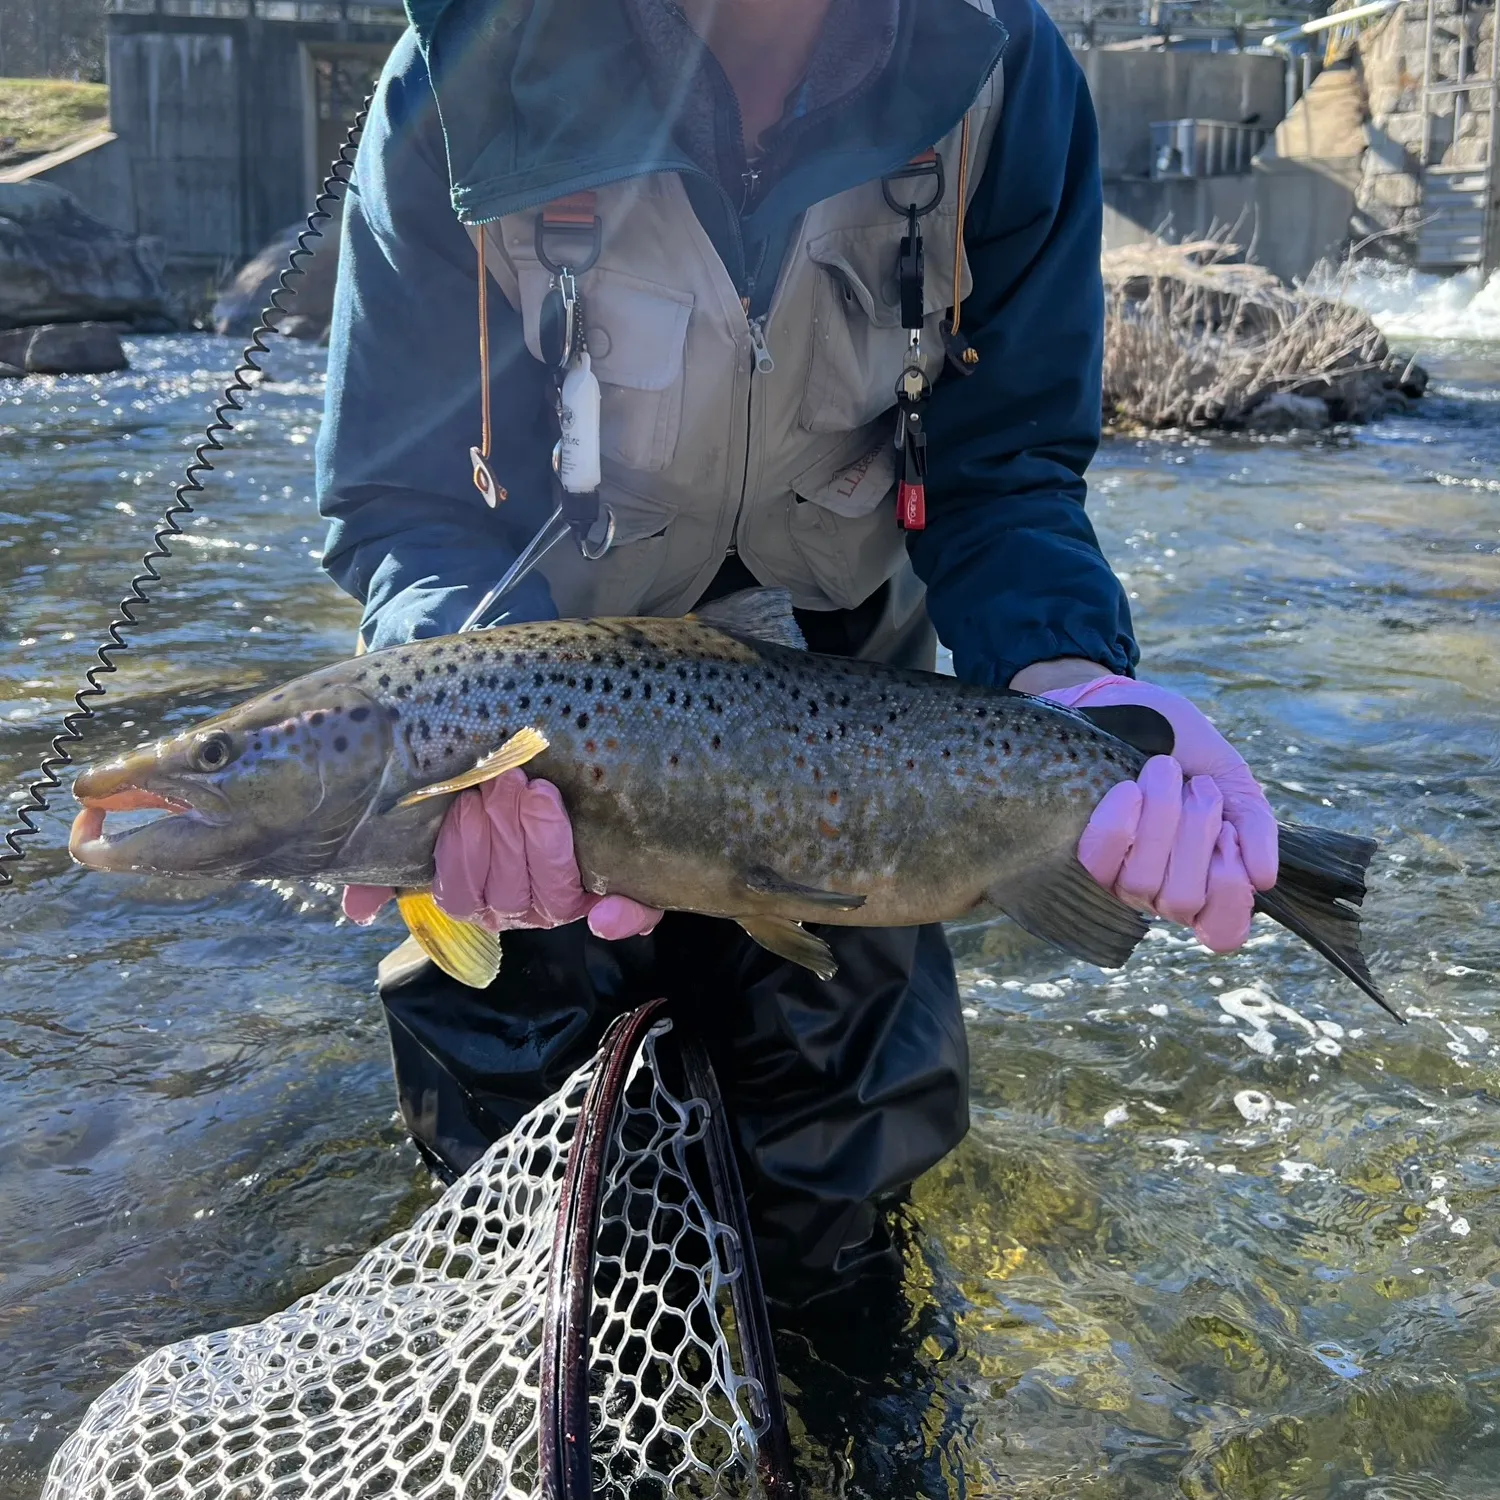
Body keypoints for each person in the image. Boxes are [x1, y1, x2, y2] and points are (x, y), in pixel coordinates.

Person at [315, 0, 1278, 1308]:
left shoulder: (1003, 70)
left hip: (849, 693)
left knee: (844, 1182)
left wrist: (1072, 677)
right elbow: (404, 503)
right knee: (511, 1190)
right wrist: (446, 727)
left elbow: (1004, 473)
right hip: (531, 692)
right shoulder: (464, 68)